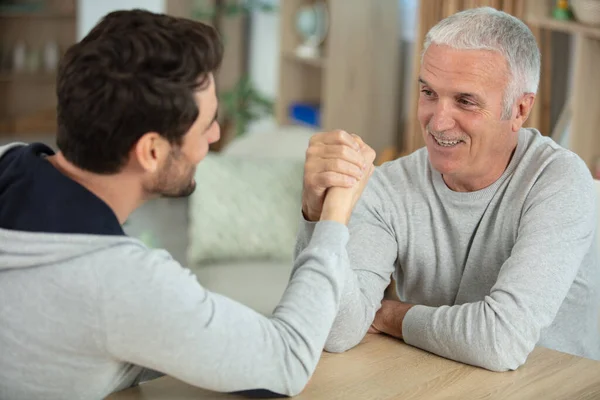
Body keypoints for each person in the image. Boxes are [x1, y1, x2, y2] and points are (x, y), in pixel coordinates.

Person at [0, 9, 376, 400]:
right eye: (206, 124)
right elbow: (286, 363)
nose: (215, 136)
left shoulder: (8, 160)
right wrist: (334, 217)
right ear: (150, 150)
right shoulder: (121, 281)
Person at [297, 7, 599, 372]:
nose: (437, 122)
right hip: (440, 380)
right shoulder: (389, 186)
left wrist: (391, 315)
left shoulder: (559, 181)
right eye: (428, 93)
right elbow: (336, 330)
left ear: (519, 109)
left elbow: (500, 342)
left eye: (465, 101)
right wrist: (317, 215)